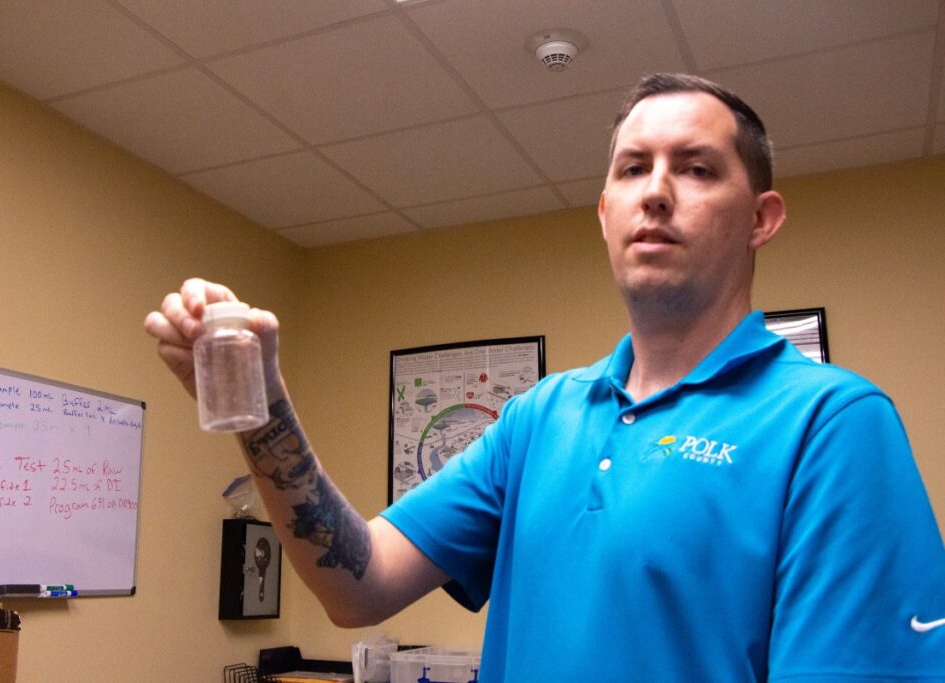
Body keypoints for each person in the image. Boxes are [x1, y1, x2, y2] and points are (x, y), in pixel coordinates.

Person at [145, 74, 945, 681]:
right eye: (633, 168)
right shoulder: (538, 418)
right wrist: (259, 410)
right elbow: (360, 584)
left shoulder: (832, 425)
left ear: (762, 218)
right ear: (605, 213)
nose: (657, 191)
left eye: (697, 168)